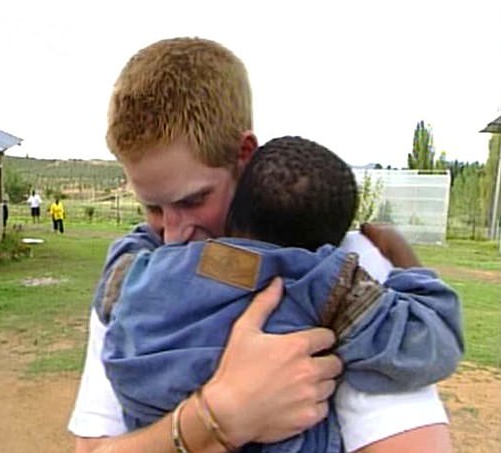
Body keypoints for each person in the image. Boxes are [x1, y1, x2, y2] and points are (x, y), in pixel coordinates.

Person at [69, 37, 453, 452]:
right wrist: (218, 414)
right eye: (153, 209)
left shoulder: (135, 274)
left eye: (193, 200)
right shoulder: (140, 267)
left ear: (244, 153)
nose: (173, 235)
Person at [101, 135, 463, 452]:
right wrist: (402, 257)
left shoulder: (148, 270)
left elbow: (113, 281)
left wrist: (148, 232)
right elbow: (430, 340)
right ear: (331, 245)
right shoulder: (326, 283)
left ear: (235, 210)